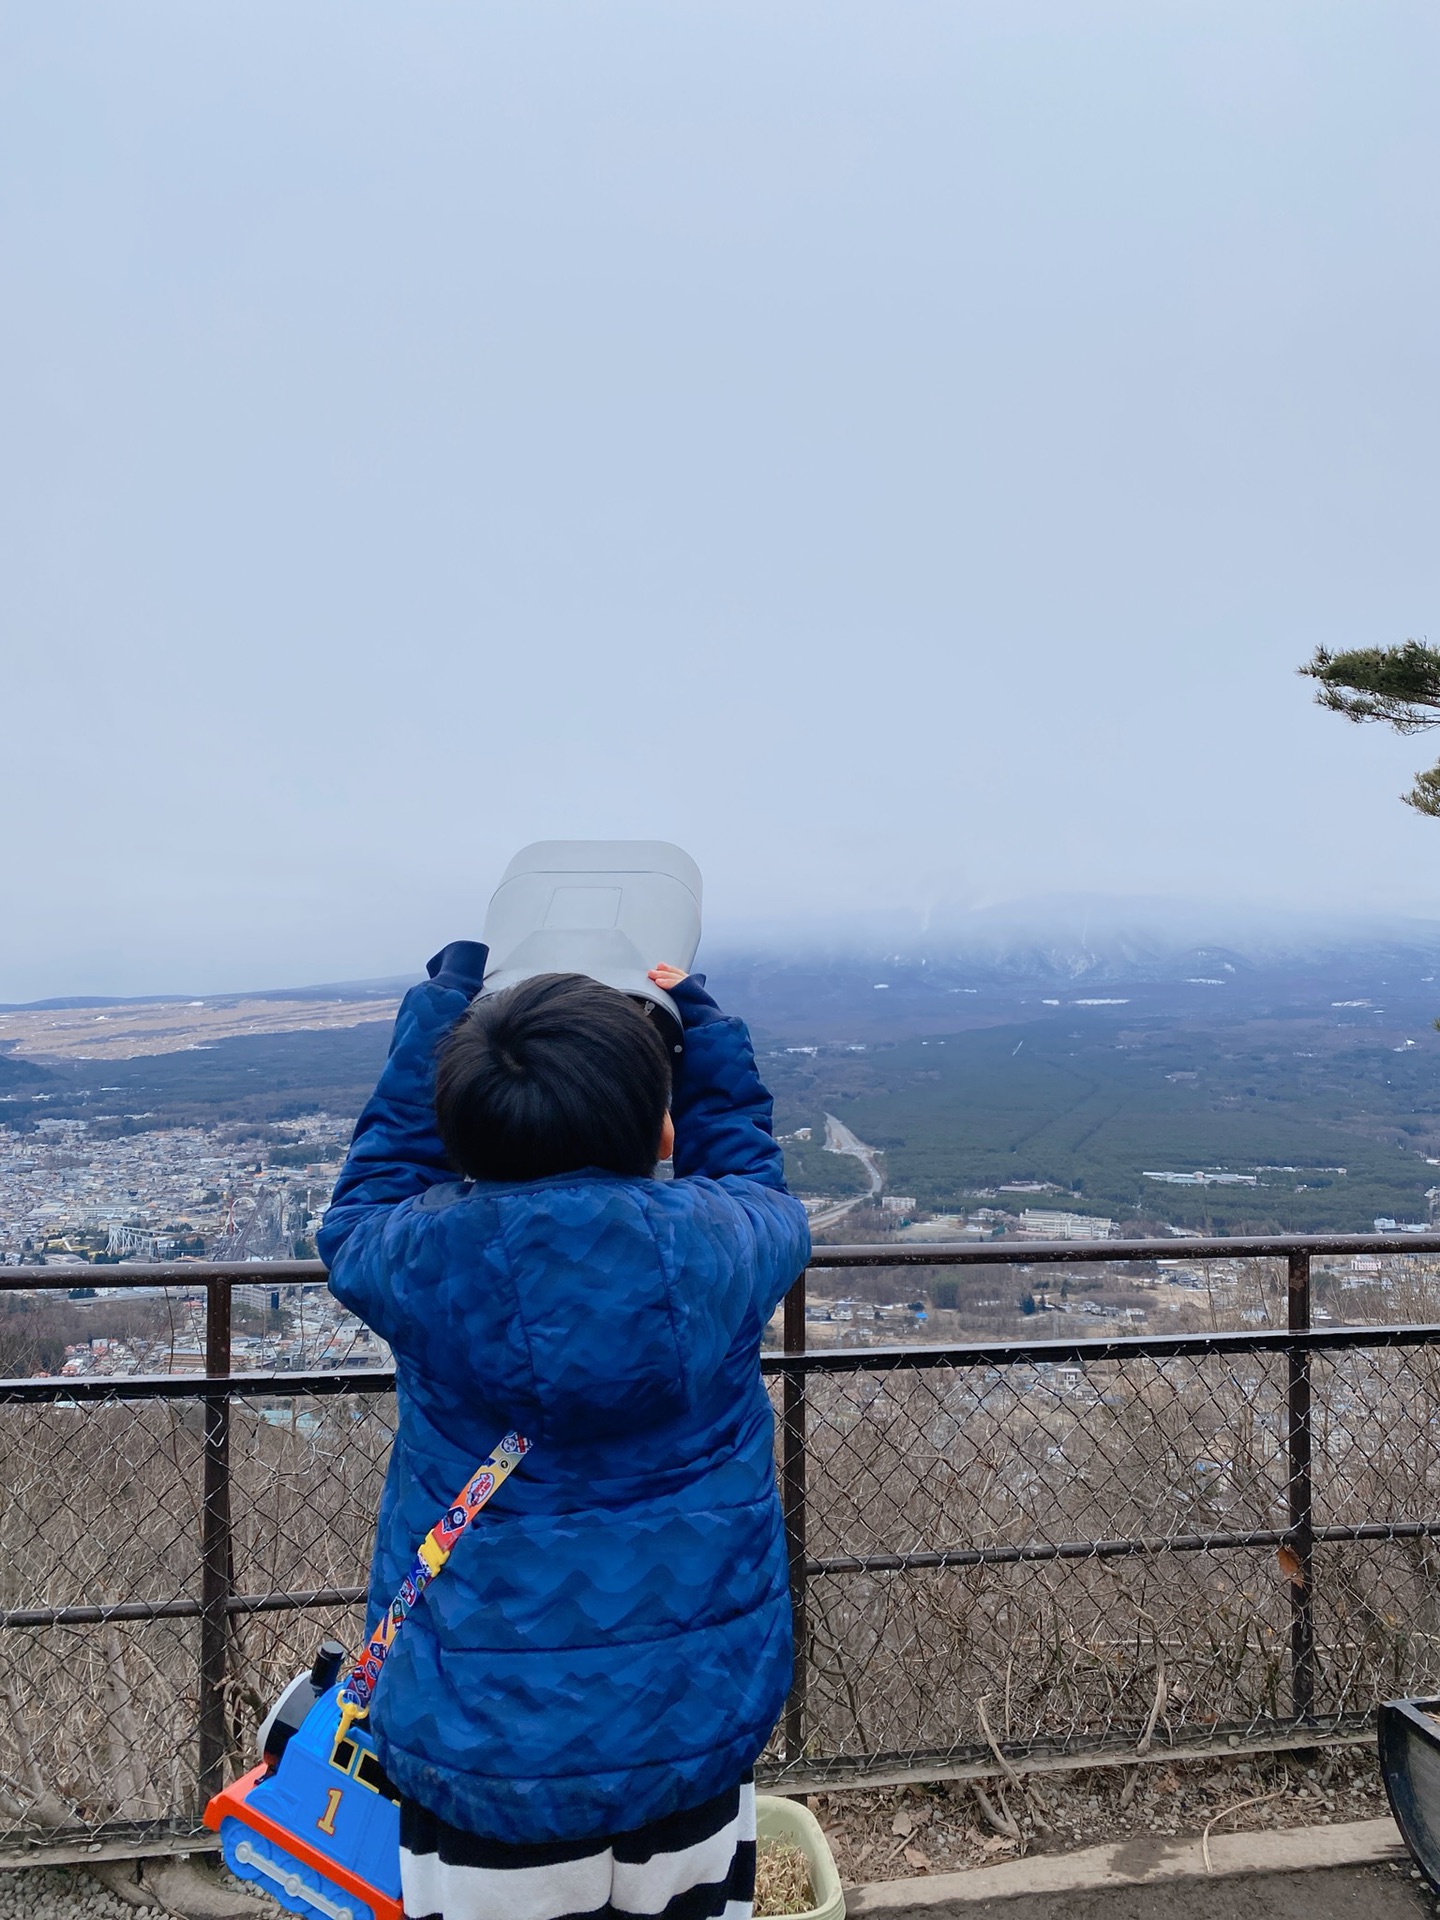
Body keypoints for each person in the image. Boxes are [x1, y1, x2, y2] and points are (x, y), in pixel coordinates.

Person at [318, 941, 811, 1920]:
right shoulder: (722, 1248)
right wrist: (709, 1038)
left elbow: (366, 1194)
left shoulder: (420, 1262)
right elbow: (757, 1178)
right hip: (691, 1738)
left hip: (481, 1757)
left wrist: (439, 1009)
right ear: (659, 1128)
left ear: (461, 1132)